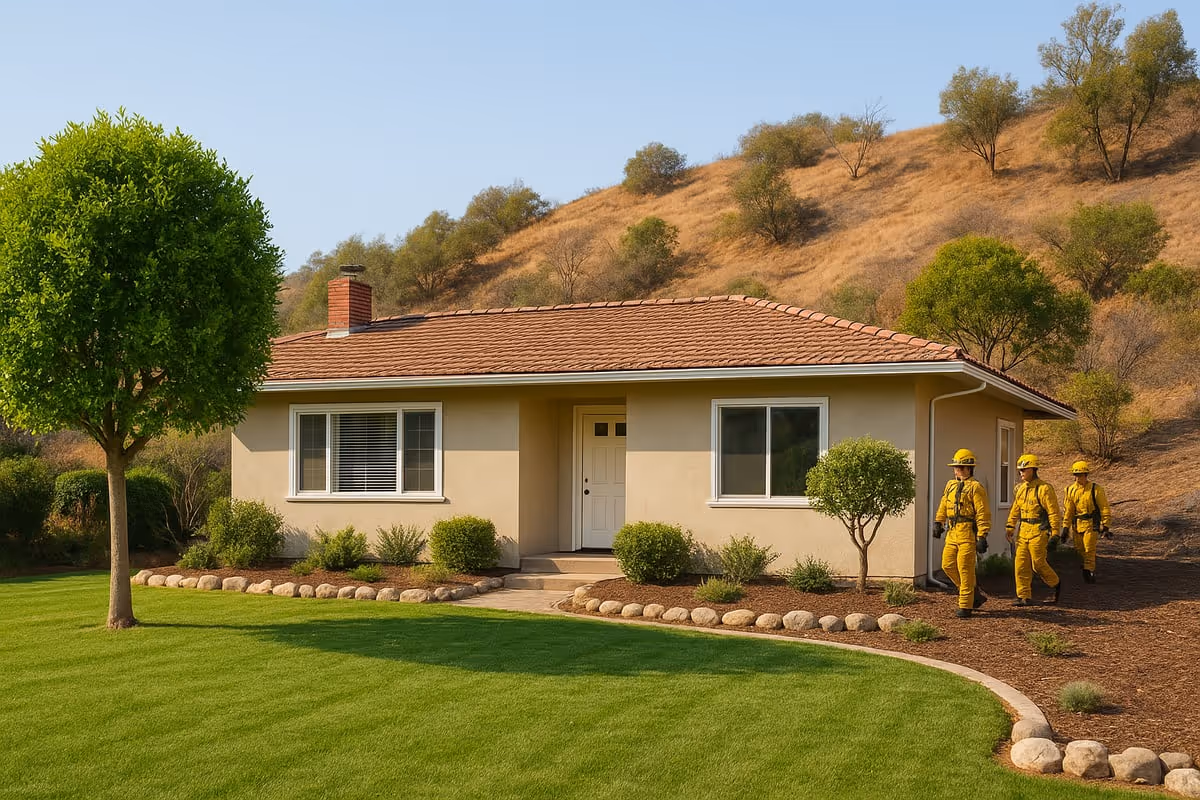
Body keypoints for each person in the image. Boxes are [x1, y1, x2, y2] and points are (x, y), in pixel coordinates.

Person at [933, 448, 991, 618]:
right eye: (955, 467)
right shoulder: (950, 485)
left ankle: (966, 605)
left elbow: (983, 513)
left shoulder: (976, 488)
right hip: (952, 532)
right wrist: (938, 521)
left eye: (960, 467)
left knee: (965, 569)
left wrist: (982, 535)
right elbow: (944, 504)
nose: (957, 470)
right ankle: (973, 593)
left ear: (969, 469)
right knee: (947, 565)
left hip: (967, 533)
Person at [1006, 454, 1062, 606]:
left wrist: (1055, 533)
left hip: (1039, 530)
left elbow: (1053, 512)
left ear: (1033, 469)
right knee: (1021, 564)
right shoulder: (1021, 489)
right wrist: (1010, 526)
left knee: (1038, 564)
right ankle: (1023, 596)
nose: (1021, 473)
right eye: (1020, 470)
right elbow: (1015, 509)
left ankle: (1055, 584)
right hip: (1023, 531)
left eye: (1024, 469)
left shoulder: (1044, 489)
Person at [1061, 460, 1112, 583]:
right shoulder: (1070, 490)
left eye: (1081, 474)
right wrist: (1065, 528)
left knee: (1089, 549)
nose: (1078, 477)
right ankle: (1084, 567)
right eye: (1076, 475)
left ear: (1086, 475)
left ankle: (1088, 571)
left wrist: (1106, 525)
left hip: (1091, 523)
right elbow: (1068, 510)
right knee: (1079, 550)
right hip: (1077, 524)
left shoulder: (1095, 489)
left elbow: (1104, 507)